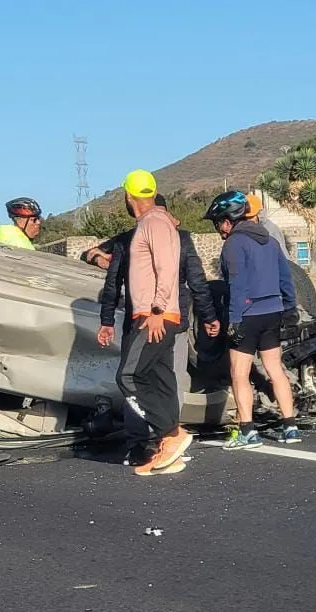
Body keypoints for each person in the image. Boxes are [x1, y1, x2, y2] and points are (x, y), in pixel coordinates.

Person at [95, 194, 220, 466]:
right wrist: (208, 315)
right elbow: (197, 281)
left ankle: (154, 441)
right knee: (165, 381)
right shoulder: (177, 236)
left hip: (150, 318)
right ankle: (164, 442)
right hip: (173, 320)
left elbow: (113, 282)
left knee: (133, 377)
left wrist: (108, 319)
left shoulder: (135, 235)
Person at [102, 170, 193, 475]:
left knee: (128, 377)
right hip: (158, 314)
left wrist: (155, 309)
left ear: (129, 197)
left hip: (155, 316)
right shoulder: (153, 223)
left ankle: (171, 434)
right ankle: (170, 453)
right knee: (160, 377)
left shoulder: (154, 222)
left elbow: (166, 268)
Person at [204, 190, 302, 447]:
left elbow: (238, 285)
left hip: (247, 315)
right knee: (275, 370)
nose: (218, 230)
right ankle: (290, 426)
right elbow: (285, 277)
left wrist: (234, 321)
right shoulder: (269, 241)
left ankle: (248, 430)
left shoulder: (233, 244)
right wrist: (290, 307)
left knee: (239, 372)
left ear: (228, 220)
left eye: (218, 223)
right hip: (273, 312)